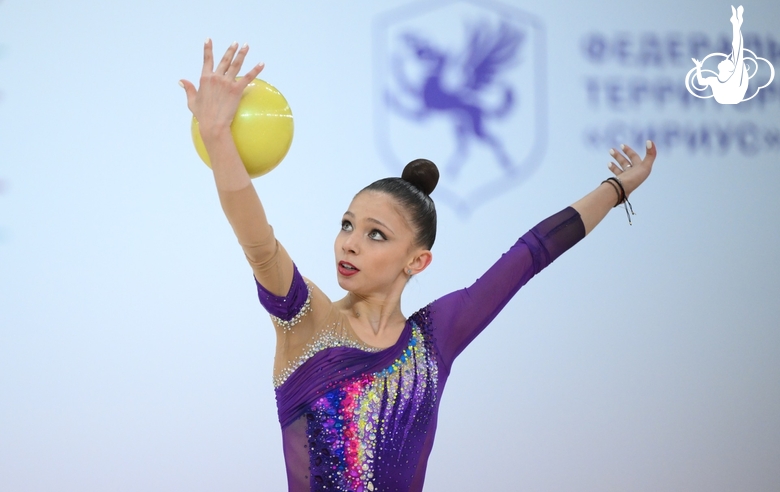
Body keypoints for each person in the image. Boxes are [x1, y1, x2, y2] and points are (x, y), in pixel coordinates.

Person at [180, 40, 656, 492]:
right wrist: (219, 137)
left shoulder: (434, 339)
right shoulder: (308, 322)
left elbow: (531, 254)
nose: (349, 244)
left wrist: (617, 190)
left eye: (375, 234)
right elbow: (259, 244)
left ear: (418, 260)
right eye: (346, 225)